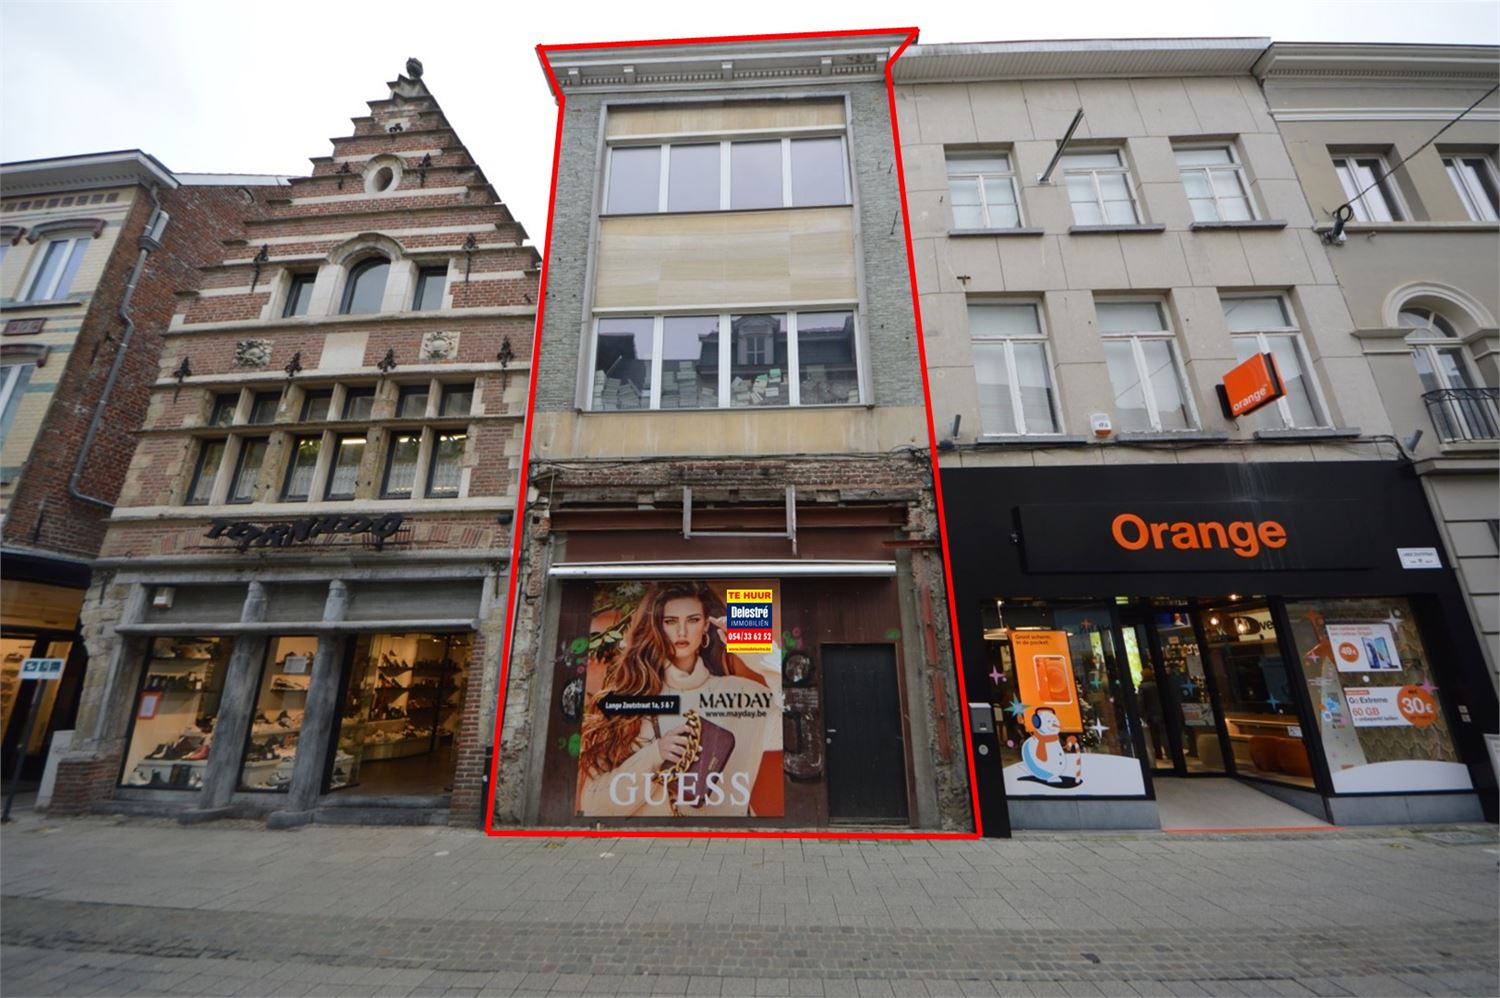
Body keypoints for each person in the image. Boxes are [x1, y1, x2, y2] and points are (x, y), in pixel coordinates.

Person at [577, 581, 781, 818]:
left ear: (706, 625)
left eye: (693, 620)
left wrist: (759, 654)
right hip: (649, 840)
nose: (682, 632)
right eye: (670, 621)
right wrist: (655, 755)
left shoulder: (744, 694)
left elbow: (800, 724)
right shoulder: (625, 701)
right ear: (657, 626)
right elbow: (593, 807)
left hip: (726, 839)